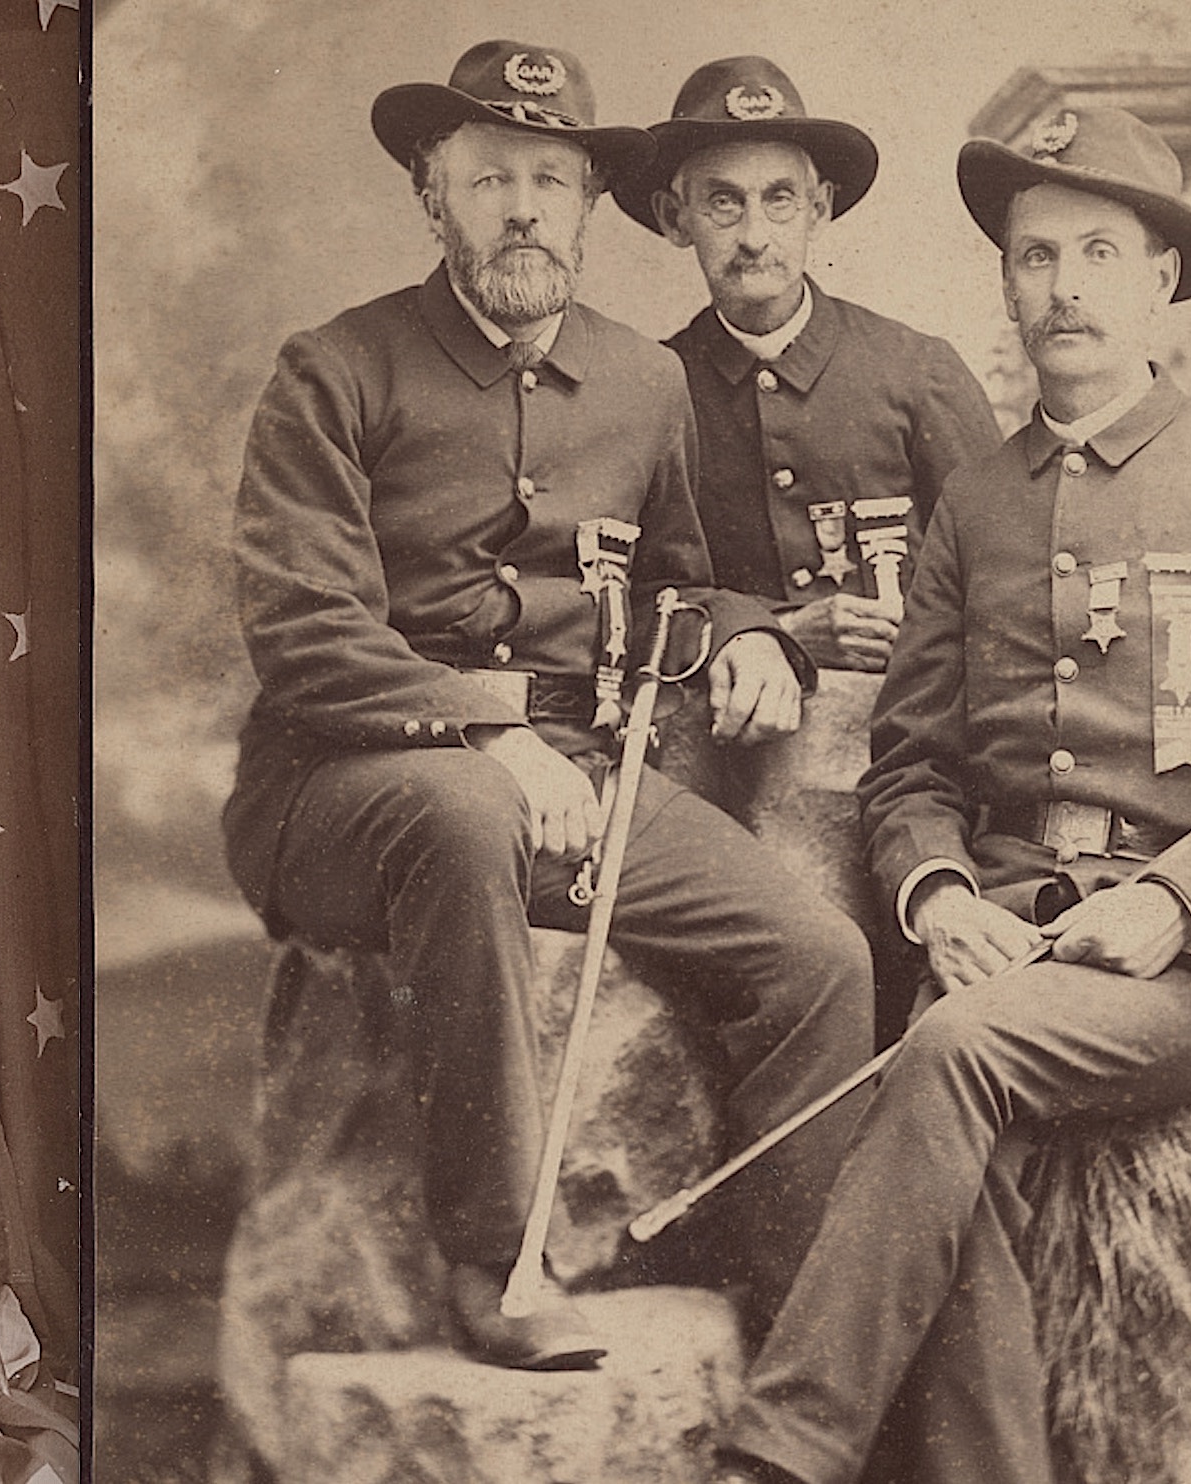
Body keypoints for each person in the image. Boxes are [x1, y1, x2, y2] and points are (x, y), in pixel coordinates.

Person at [710, 106, 1191, 1484]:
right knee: (957, 1166)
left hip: (1190, 979)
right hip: (1008, 938)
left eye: (1097, 253)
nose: (1065, 286)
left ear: (1158, 283)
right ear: (1008, 287)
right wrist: (942, 894)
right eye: (1036, 257)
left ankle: (780, 1452)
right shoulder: (975, 501)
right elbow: (913, 767)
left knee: (953, 1055)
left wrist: (1177, 910)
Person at [222, 39, 874, 1371]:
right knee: (463, 815)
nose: (524, 209)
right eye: (490, 178)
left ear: (586, 205)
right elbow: (304, 633)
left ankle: (803, 1339)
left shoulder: (643, 383)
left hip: (579, 778)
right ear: (432, 194)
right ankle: (491, 1265)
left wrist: (750, 639)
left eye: (552, 180)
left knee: (818, 960)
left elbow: (686, 588)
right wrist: (488, 728)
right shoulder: (335, 370)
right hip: (340, 789)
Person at [610, 56, 999, 674]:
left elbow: (1003, 571)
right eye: (723, 203)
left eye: (780, 199)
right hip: (726, 736)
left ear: (820, 208)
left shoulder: (919, 372)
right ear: (673, 218)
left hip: (908, 725)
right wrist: (780, 631)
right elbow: (626, 602)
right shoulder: (651, 389)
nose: (755, 236)